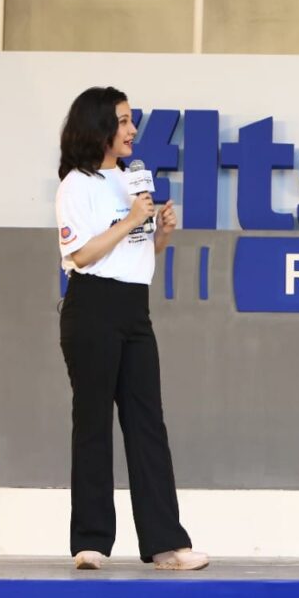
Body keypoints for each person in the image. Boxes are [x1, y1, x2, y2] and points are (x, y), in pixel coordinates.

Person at [55, 86, 208, 571]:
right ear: (99, 125)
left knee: (147, 424)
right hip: (92, 306)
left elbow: (136, 254)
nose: (132, 129)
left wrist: (159, 232)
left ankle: (165, 543)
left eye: (130, 120)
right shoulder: (76, 185)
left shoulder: (130, 180)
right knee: (93, 421)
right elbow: (81, 255)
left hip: (133, 309)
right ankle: (91, 541)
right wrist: (130, 220)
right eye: (123, 120)